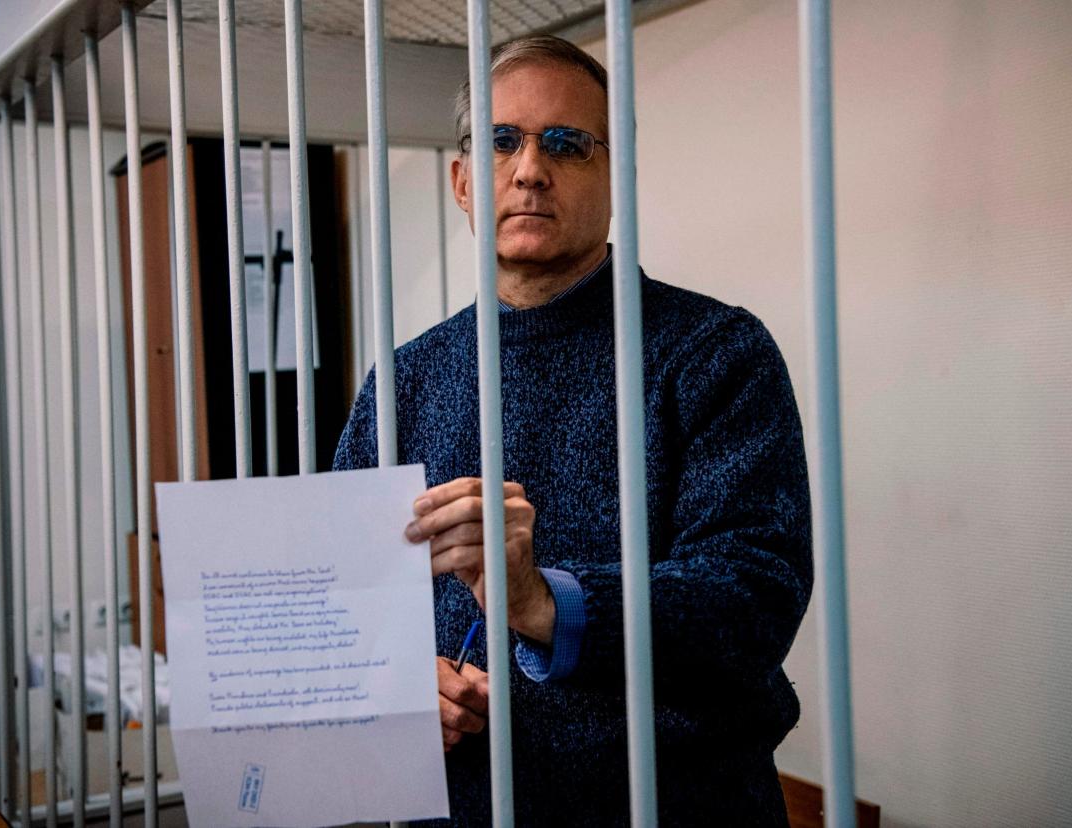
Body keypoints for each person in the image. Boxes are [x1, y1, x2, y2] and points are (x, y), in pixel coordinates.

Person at [333, 34, 812, 827]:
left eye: (565, 143)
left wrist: (543, 602)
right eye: (500, 140)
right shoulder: (405, 380)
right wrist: (400, 685)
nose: (529, 169)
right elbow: (346, 605)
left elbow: (756, 596)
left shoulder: (715, 353)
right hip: (458, 807)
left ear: (614, 177)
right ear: (461, 182)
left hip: (676, 805)